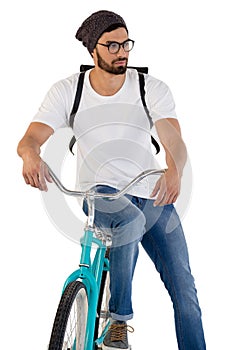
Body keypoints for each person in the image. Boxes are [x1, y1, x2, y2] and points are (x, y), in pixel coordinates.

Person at [17, 10, 206, 350]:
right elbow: (29, 139)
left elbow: (173, 140)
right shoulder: (68, 91)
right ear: (93, 50)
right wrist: (31, 155)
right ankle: (118, 322)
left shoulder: (150, 88)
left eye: (126, 43)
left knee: (185, 291)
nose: (123, 52)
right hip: (102, 192)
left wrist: (174, 169)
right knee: (129, 220)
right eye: (113, 45)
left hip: (153, 193)